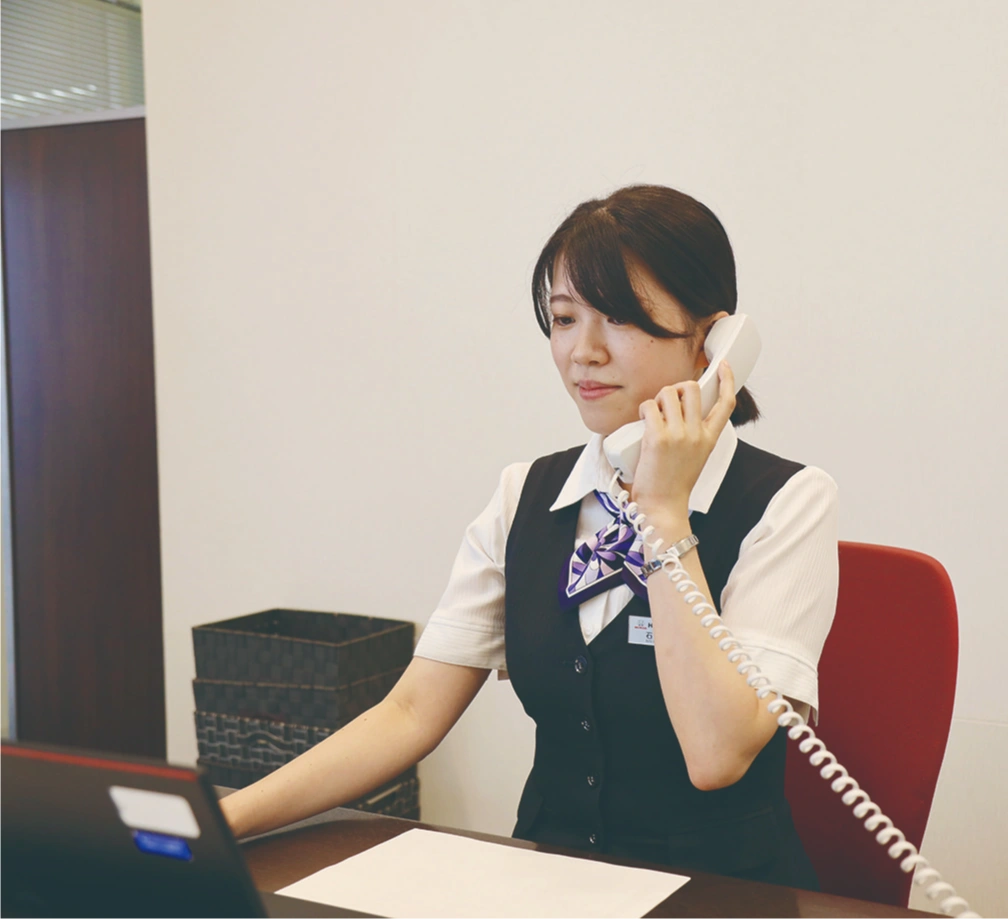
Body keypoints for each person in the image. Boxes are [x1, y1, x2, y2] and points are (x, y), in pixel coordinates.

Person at [219, 184, 839, 887]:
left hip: (721, 895)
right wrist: (226, 818)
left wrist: (664, 510)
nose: (584, 352)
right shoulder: (526, 496)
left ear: (712, 341)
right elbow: (410, 712)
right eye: (565, 319)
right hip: (550, 883)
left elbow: (716, 755)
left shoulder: (790, 502)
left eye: (619, 318)